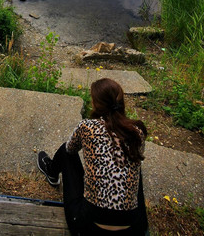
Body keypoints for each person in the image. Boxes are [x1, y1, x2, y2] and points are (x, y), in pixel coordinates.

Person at [37, 78, 149, 236]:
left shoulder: (87, 127)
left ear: (96, 104)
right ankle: (143, 227)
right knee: (133, 160)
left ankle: (52, 173)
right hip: (132, 227)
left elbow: (70, 148)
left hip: (87, 227)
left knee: (66, 151)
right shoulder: (137, 132)